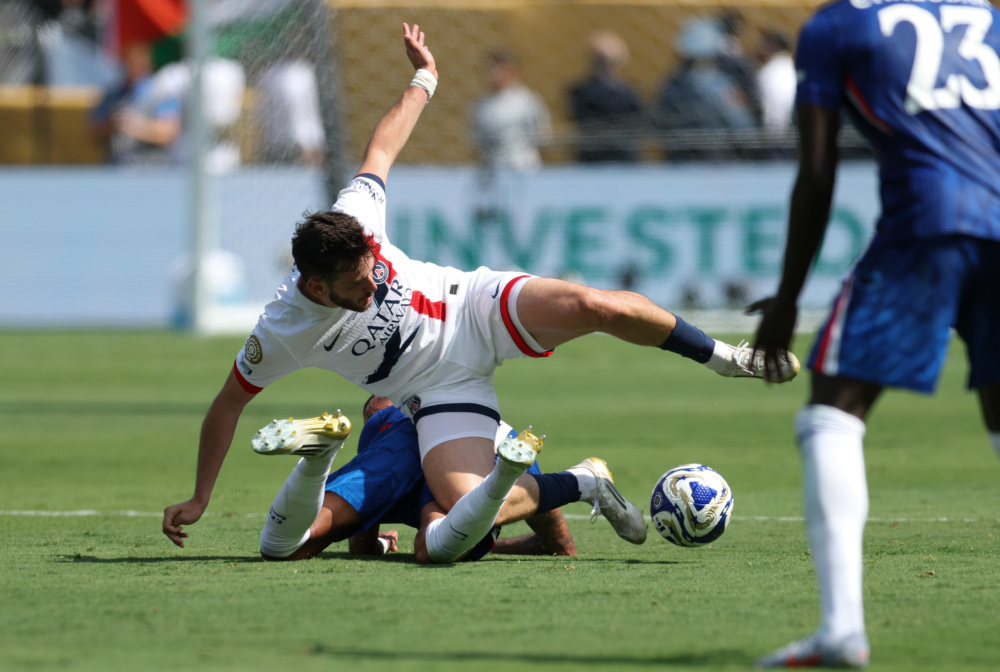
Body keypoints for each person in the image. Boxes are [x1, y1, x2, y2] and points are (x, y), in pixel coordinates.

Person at [162, 23, 799, 566]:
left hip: (476, 307)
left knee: (600, 306)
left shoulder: (355, 219)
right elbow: (226, 406)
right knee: (444, 543)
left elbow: (381, 148)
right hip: (441, 391)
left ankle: (730, 357)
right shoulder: (281, 328)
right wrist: (200, 497)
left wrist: (424, 80)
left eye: (372, 269)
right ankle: (584, 481)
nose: (374, 283)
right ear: (314, 285)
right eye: (357, 285)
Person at [749, 0, 1000, 667]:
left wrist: (787, 300)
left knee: (833, 407)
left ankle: (841, 630)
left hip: (928, 220)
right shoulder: (984, 14)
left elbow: (819, 169)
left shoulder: (837, 25)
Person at [255, 396, 580, 562]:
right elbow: (556, 537)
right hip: (481, 453)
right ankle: (580, 480)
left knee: (285, 545)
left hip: (399, 442)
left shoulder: (381, 423)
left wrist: (378, 542)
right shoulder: (500, 432)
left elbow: (361, 542)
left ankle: (319, 457)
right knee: (431, 548)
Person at [654, 18, 754, 162]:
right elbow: (743, 129)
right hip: (717, 165)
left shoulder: (671, 86)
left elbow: (660, 127)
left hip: (679, 163)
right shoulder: (721, 85)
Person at [89, 40, 182, 166]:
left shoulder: (162, 93)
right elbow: (93, 132)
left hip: (151, 173)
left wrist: (136, 126)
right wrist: (111, 125)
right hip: (115, 171)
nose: (131, 64)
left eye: (137, 58)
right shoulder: (112, 95)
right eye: (128, 58)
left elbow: (168, 133)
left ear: (147, 60)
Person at [567, 31, 644, 163]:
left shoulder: (629, 93)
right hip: (593, 162)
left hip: (623, 161)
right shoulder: (581, 92)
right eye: (600, 60)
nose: (605, 65)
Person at [469, 48, 550, 172]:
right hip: (494, 169)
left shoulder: (528, 101)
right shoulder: (481, 106)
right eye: (490, 69)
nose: (494, 74)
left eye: (499, 69)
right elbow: (476, 143)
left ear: (512, 71)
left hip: (526, 168)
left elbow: (543, 139)